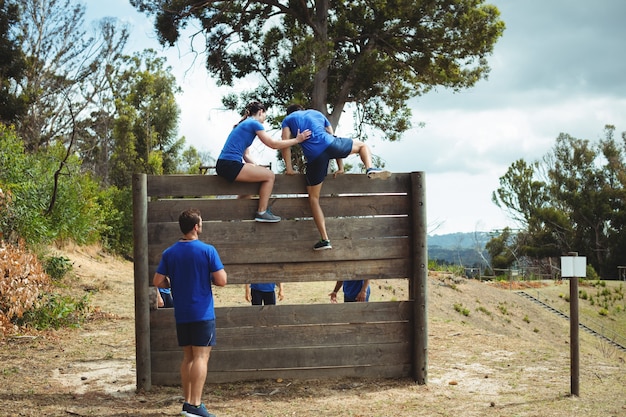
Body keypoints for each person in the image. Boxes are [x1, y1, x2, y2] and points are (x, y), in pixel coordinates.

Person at [281, 104, 390, 250]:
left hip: (315, 157)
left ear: (290, 113)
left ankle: (325, 239)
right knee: (362, 146)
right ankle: (369, 168)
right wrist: (340, 167)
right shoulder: (317, 113)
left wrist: (289, 168)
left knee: (314, 199)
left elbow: (284, 144)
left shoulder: (288, 119)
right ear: (302, 109)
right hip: (331, 145)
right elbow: (332, 136)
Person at [152, 208, 228, 417]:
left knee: (187, 358)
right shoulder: (207, 250)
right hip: (202, 313)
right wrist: (207, 277)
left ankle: (187, 402)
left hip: (182, 313)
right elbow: (222, 280)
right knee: (201, 358)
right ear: (196, 227)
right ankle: (195, 404)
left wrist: (173, 281)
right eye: (201, 223)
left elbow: (157, 281)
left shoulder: (169, 253)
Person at [216, 101, 311, 223]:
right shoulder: (254, 123)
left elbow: (246, 155)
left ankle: (232, 218)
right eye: (264, 117)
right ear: (260, 112)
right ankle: (262, 212)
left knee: (250, 187)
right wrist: (297, 139)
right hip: (230, 164)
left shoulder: (244, 124)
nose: (264, 121)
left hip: (224, 164)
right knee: (270, 175)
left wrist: (257, 168)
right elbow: (273, 144)